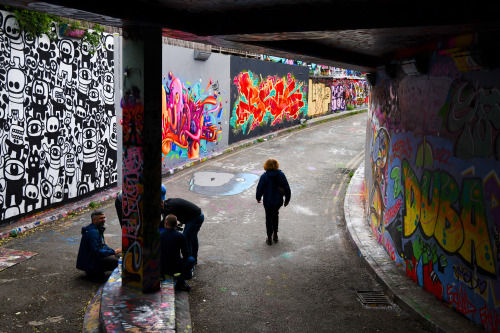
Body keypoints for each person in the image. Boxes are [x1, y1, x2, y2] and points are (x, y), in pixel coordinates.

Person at [76, 210, 122, 278]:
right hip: (90, 263)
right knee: (117, 261)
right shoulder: (93, 233)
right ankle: (94, 273)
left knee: (119, 256)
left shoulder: (97, 229)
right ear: (94, 220)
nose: (104, 220)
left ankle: (98, 271)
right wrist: (113, 252)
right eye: (101, 218)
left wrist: (112, 252)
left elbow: (102, 245)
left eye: (104, 218)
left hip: (93, 259)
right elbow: (96, 251)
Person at [256, 158, 291, 245]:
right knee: (275, 215)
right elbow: (287, 188)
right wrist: (287, 200)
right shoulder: (281, 175)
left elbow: (259, 188)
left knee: (268, 218)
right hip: (278, 200)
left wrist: (258, 197)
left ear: (266, 166)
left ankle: (269, 237)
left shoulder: (264, 176)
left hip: (268, 201)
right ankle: (275, 234)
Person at [161, 197, 204, 263]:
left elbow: (165, 223)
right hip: (198, 215)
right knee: (192, 237)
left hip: (195, 218)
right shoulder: (168, 203)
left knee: (186, 239)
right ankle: (194, 258)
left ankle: (189, 260)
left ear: (161, 205)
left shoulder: (168, 208)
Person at [161, 214, 196, 291]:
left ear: (166, 223)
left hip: (161, 267)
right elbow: (186, 255)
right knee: (191, 260)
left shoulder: (160, 235)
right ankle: (181, 283)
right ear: (176, 224)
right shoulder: (181, 236)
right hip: (175, 266)